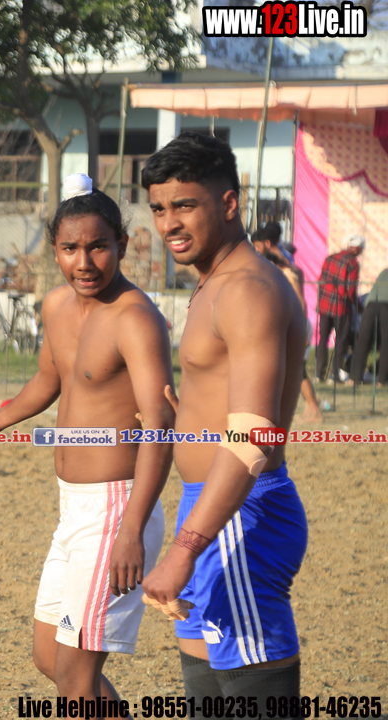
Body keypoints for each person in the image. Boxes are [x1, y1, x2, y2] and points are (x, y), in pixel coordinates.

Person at [0, 174, 174, 703]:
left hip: (117, 509)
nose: (84, 262)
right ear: (53, 249)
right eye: (70, 249)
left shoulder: (136, 319)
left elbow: (160, 425)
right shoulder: (56, 305)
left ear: (121, 244)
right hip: (72, 508)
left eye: (98, 246)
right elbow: (49, 379)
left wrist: (132, 529)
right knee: (49, 656)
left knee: (75, 678)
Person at [140, 132, 307, 701]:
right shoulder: (214, 284)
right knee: (208, 697)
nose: (169, 224)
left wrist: (185, 548)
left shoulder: (247, 290)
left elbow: (253, 436)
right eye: (159, 209)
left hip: (239, 513)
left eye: (185, 205)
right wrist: (186, 417)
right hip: (209, 504)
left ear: (229, 203)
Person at [263, 252, 323, 422]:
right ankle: (311, 409)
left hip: (298, 325)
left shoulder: (288, 275)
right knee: (295, 371)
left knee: (299, 371)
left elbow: (301, 302)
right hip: (293, 324)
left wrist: (301, 331)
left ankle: (315, 410)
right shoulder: (279, 276)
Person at [315, 235, 364, 383]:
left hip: (324, 305)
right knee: (341, 340)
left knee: (323, 339)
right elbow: (351, 290)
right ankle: (334, 374)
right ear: (355, 248)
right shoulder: (352, 263)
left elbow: (321, 280)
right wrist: (358, 306)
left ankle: (319, 373)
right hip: (341, 307)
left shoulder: (330, 258)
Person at [350, 266, 388, 386]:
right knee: (386, 343)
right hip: (386, 305)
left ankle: (354, 378)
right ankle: (382, 381)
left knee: (362, 341)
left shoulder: (384, 271)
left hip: (370, 304)